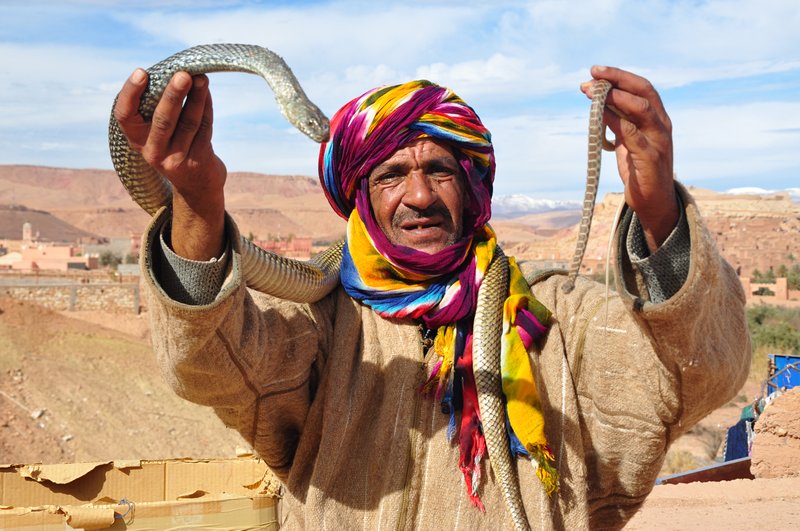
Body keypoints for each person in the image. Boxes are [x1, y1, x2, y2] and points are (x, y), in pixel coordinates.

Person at [114, 65, 750, 529]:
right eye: (391, 174)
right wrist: (196, 211)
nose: (419, 196)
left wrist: (660, 209)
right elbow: (213, 366)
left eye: (439, 170)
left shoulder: (551, 317)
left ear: (472, 185)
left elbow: (690, 372)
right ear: (361, 197)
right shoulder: (320, 321)